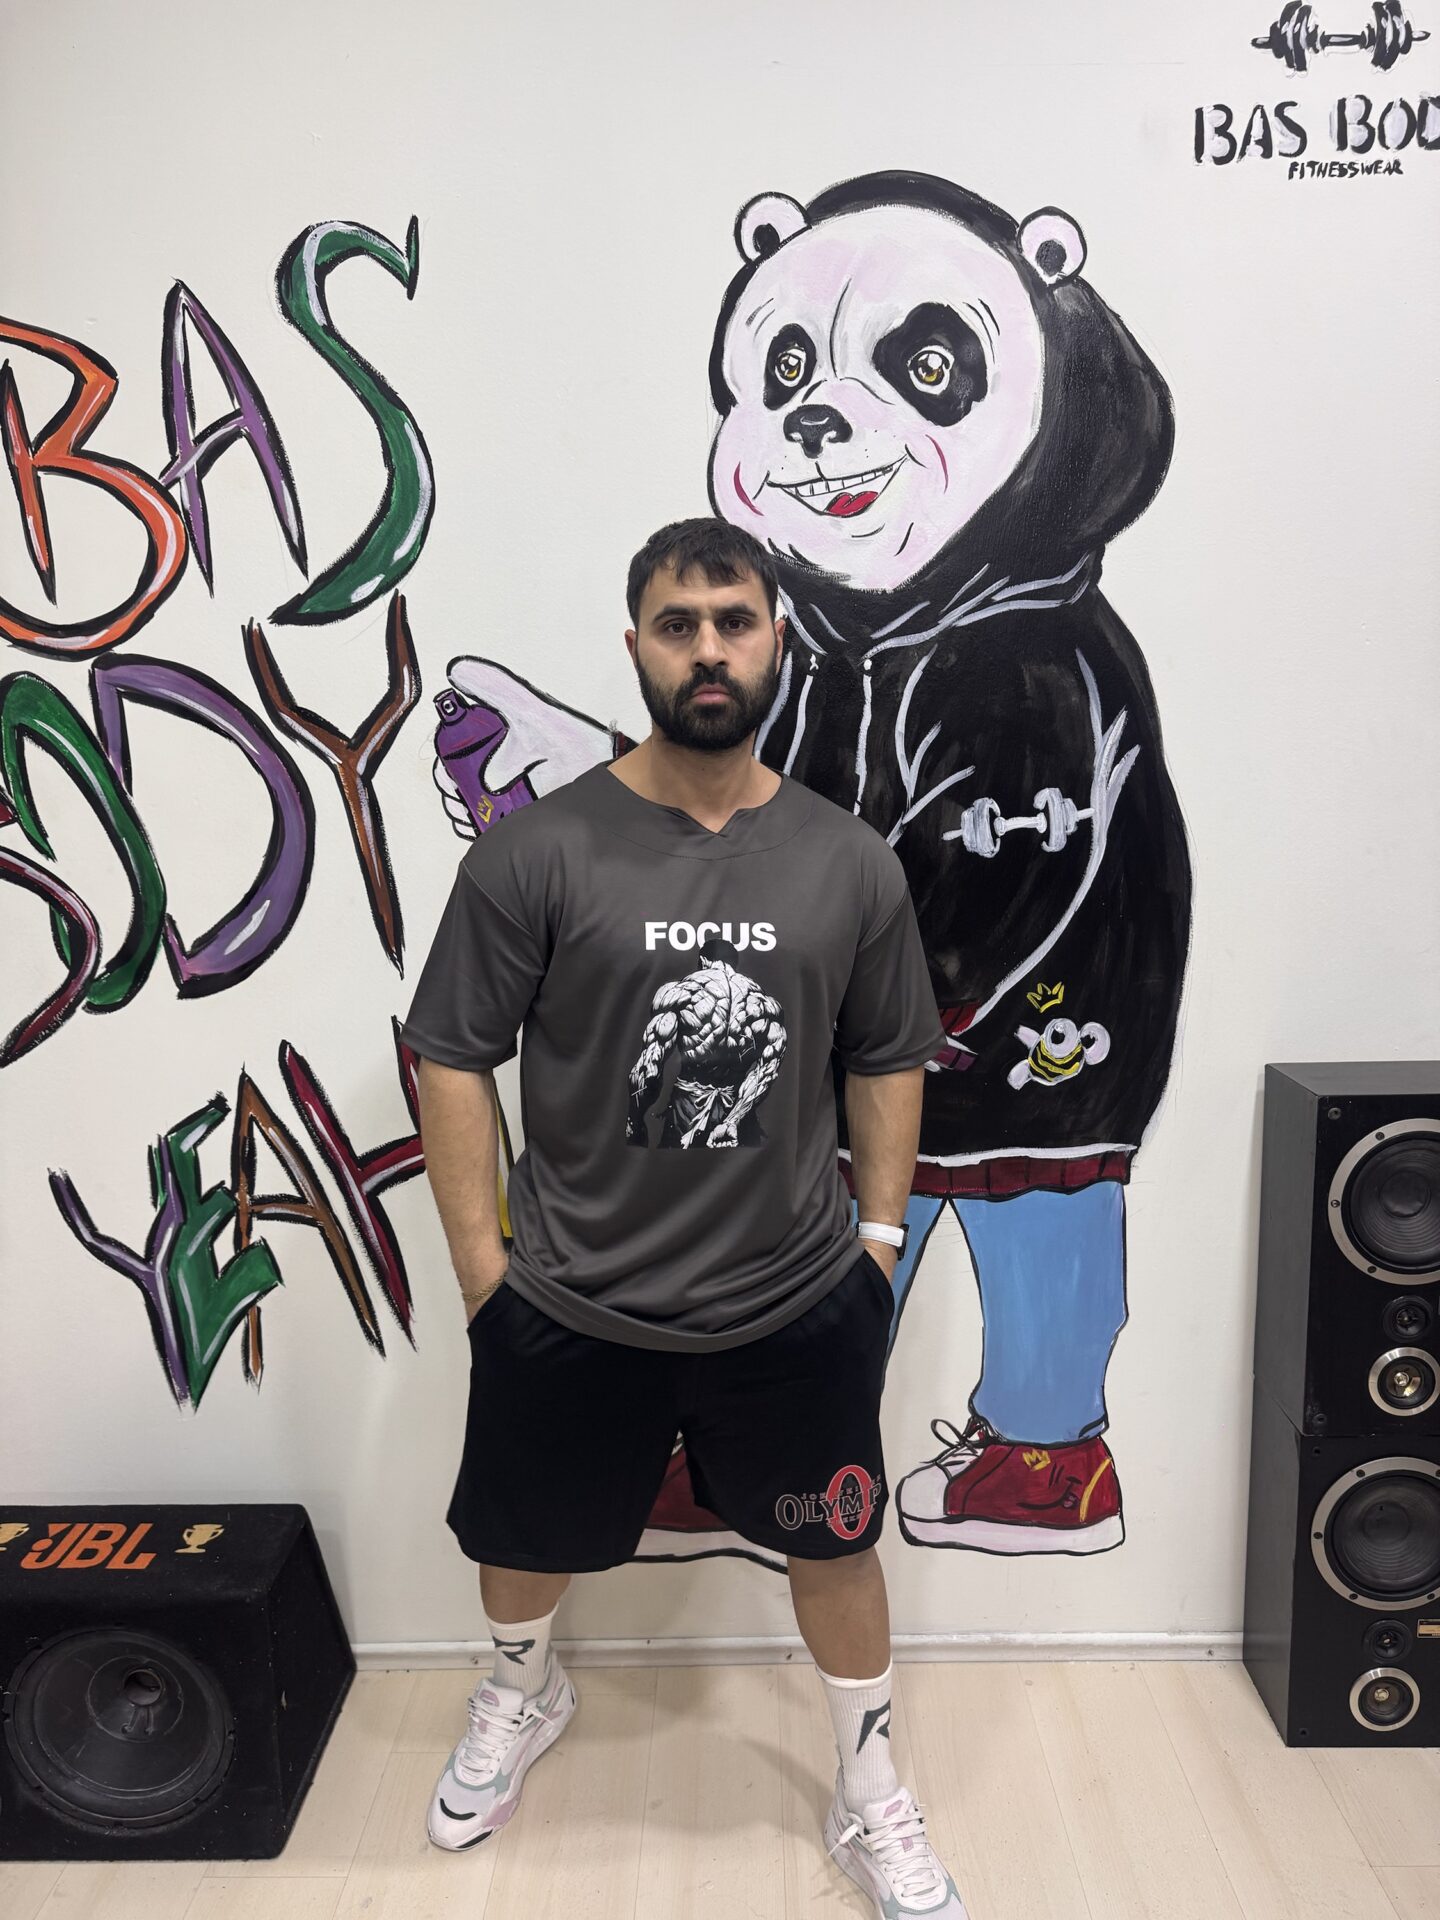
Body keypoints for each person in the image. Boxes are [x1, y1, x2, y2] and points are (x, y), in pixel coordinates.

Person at [399, 517, 968, 1917]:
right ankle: (523, 1694)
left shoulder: (848, 861)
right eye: (677, 624)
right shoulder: (539, 852)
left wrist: (878, 1247)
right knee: (523, 1540)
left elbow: (887, 1057)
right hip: (572, 1296)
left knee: (835, 1543)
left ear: (776, 641)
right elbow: (451, 1051)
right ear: (638, 646)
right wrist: (483, 1271)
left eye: (733, 621)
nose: (707, 649)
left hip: (792, 1297)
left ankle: (869, 1789)